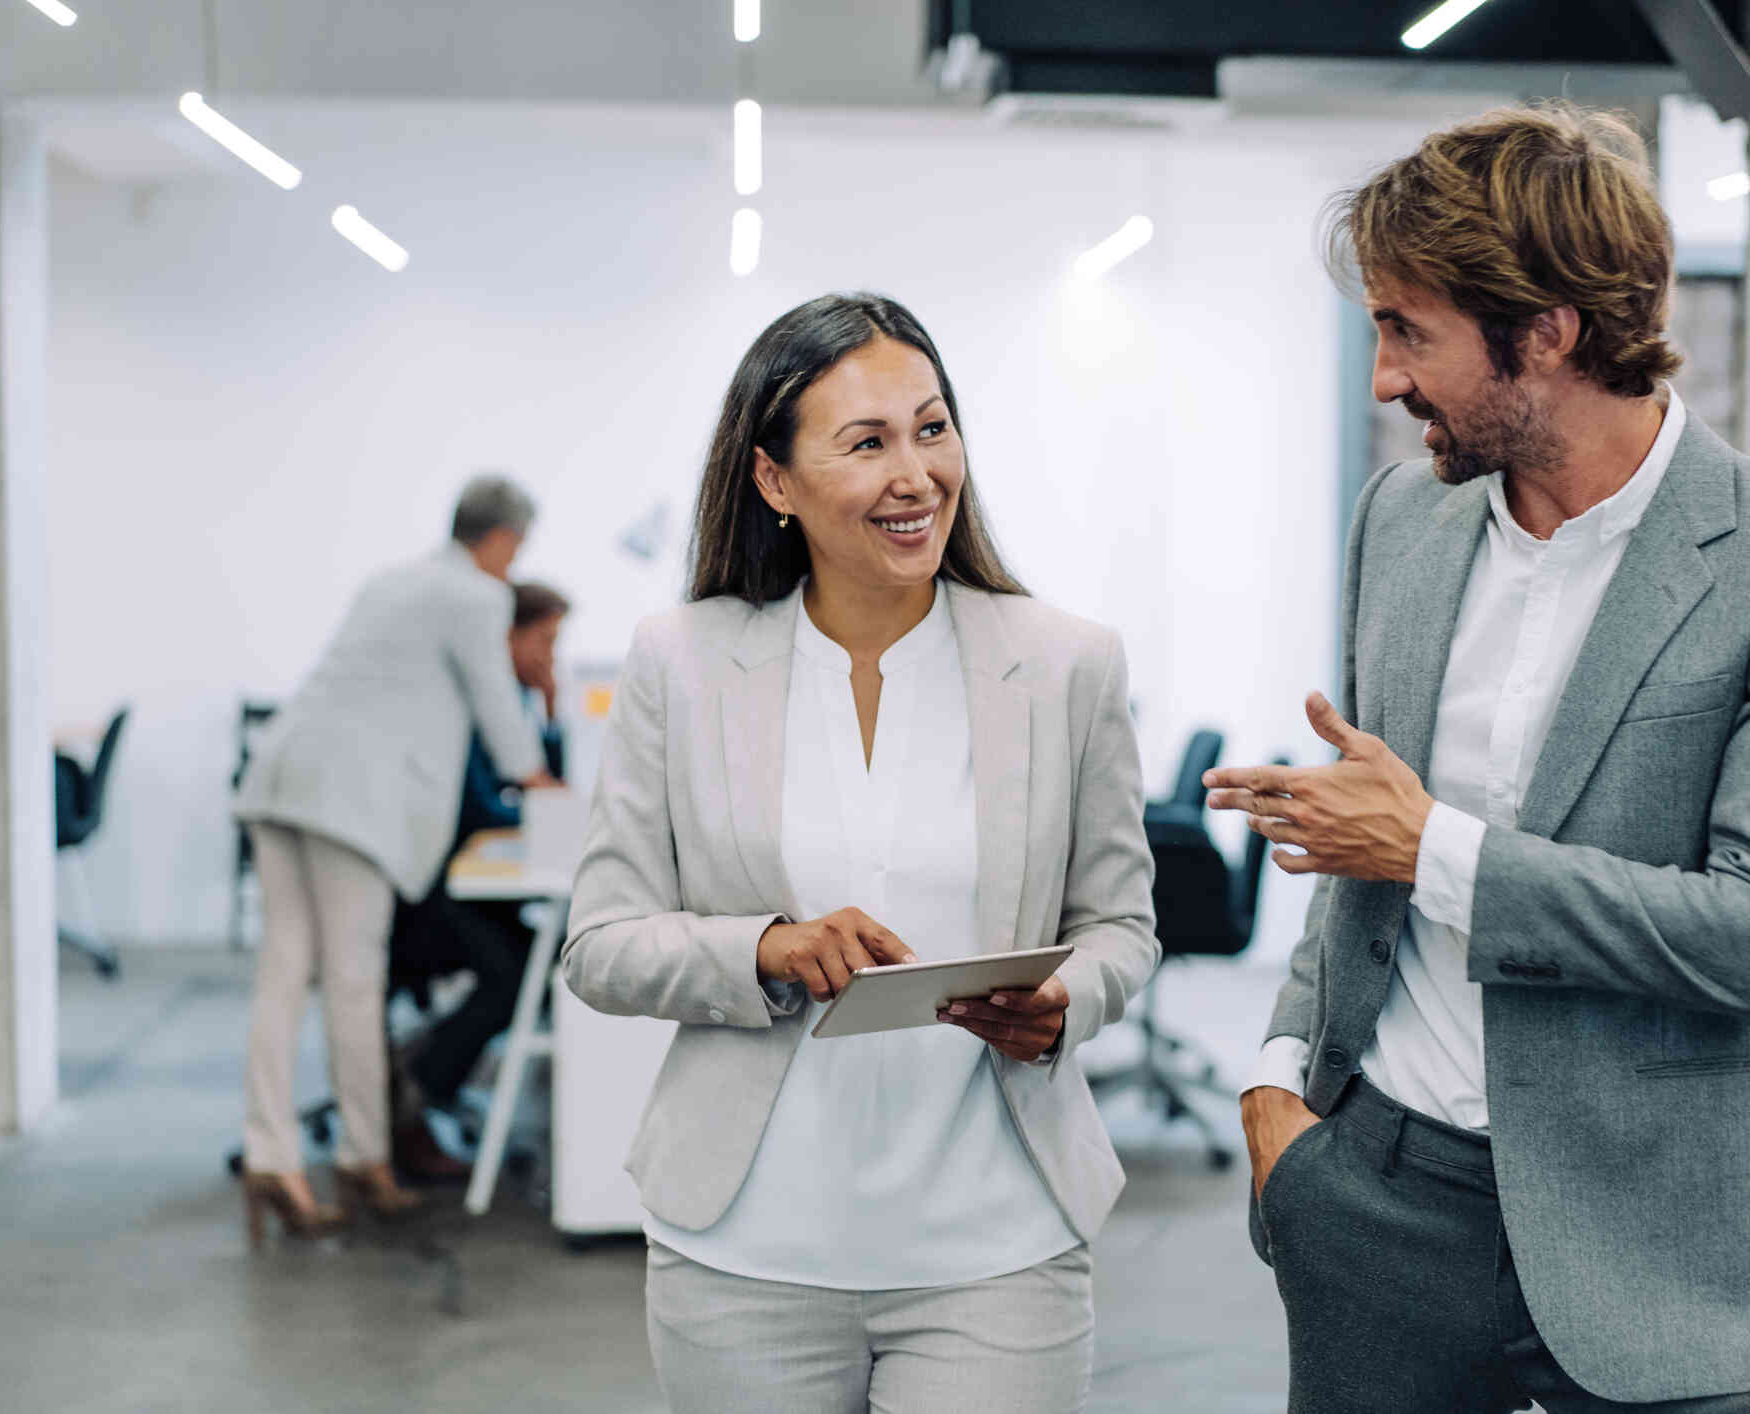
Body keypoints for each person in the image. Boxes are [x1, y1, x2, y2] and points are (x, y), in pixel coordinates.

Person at [1207, 106, 1750, 1412]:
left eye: (1408, 330)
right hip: (1379, 1200)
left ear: (1546, 332)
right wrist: (1274, 1083)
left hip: (1662, 1232)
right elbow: (1356, 827)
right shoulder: (1402, 517)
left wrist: (1436, 850)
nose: (1381, 378)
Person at [563, 293, 1158, 1413]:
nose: (916, 474)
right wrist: (769, 949)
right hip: (744, 1251)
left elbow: (1122, 926)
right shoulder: (681, 661)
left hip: (998, 1245)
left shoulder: (1069, 663)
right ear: (775, 480)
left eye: (934, 429)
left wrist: (1065, 999)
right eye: (868, 442)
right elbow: (600, 944)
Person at [234, 475, 559, 1241]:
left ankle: (270, 1157)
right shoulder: (476, 596)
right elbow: (496, 708)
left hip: (281, 772)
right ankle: (363, 1156)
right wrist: (543, 781)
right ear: (504, 540)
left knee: (284, 972)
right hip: (353, 801)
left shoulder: (393, 579)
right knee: (353, 977)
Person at [387, 581, 571, 1182]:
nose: (550, 655)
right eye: (543, 640)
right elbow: (481, 809)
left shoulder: (510, 704)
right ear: (506, 639)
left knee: (538, 963)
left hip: (451, 887)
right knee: (517, 970)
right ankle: (414, 1089)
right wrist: (543, 808)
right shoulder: (468, 707)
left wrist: (549, 712)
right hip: (423, 897)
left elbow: (537, 781)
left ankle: (427, 1069)